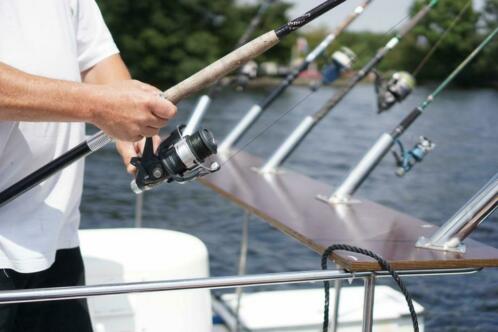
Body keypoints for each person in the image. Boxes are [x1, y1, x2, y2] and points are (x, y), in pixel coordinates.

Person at [0, 0, 177, 331]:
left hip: (58, 242)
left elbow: (96, 61)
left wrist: (135, 134)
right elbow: (100, 99)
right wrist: (99, 107)